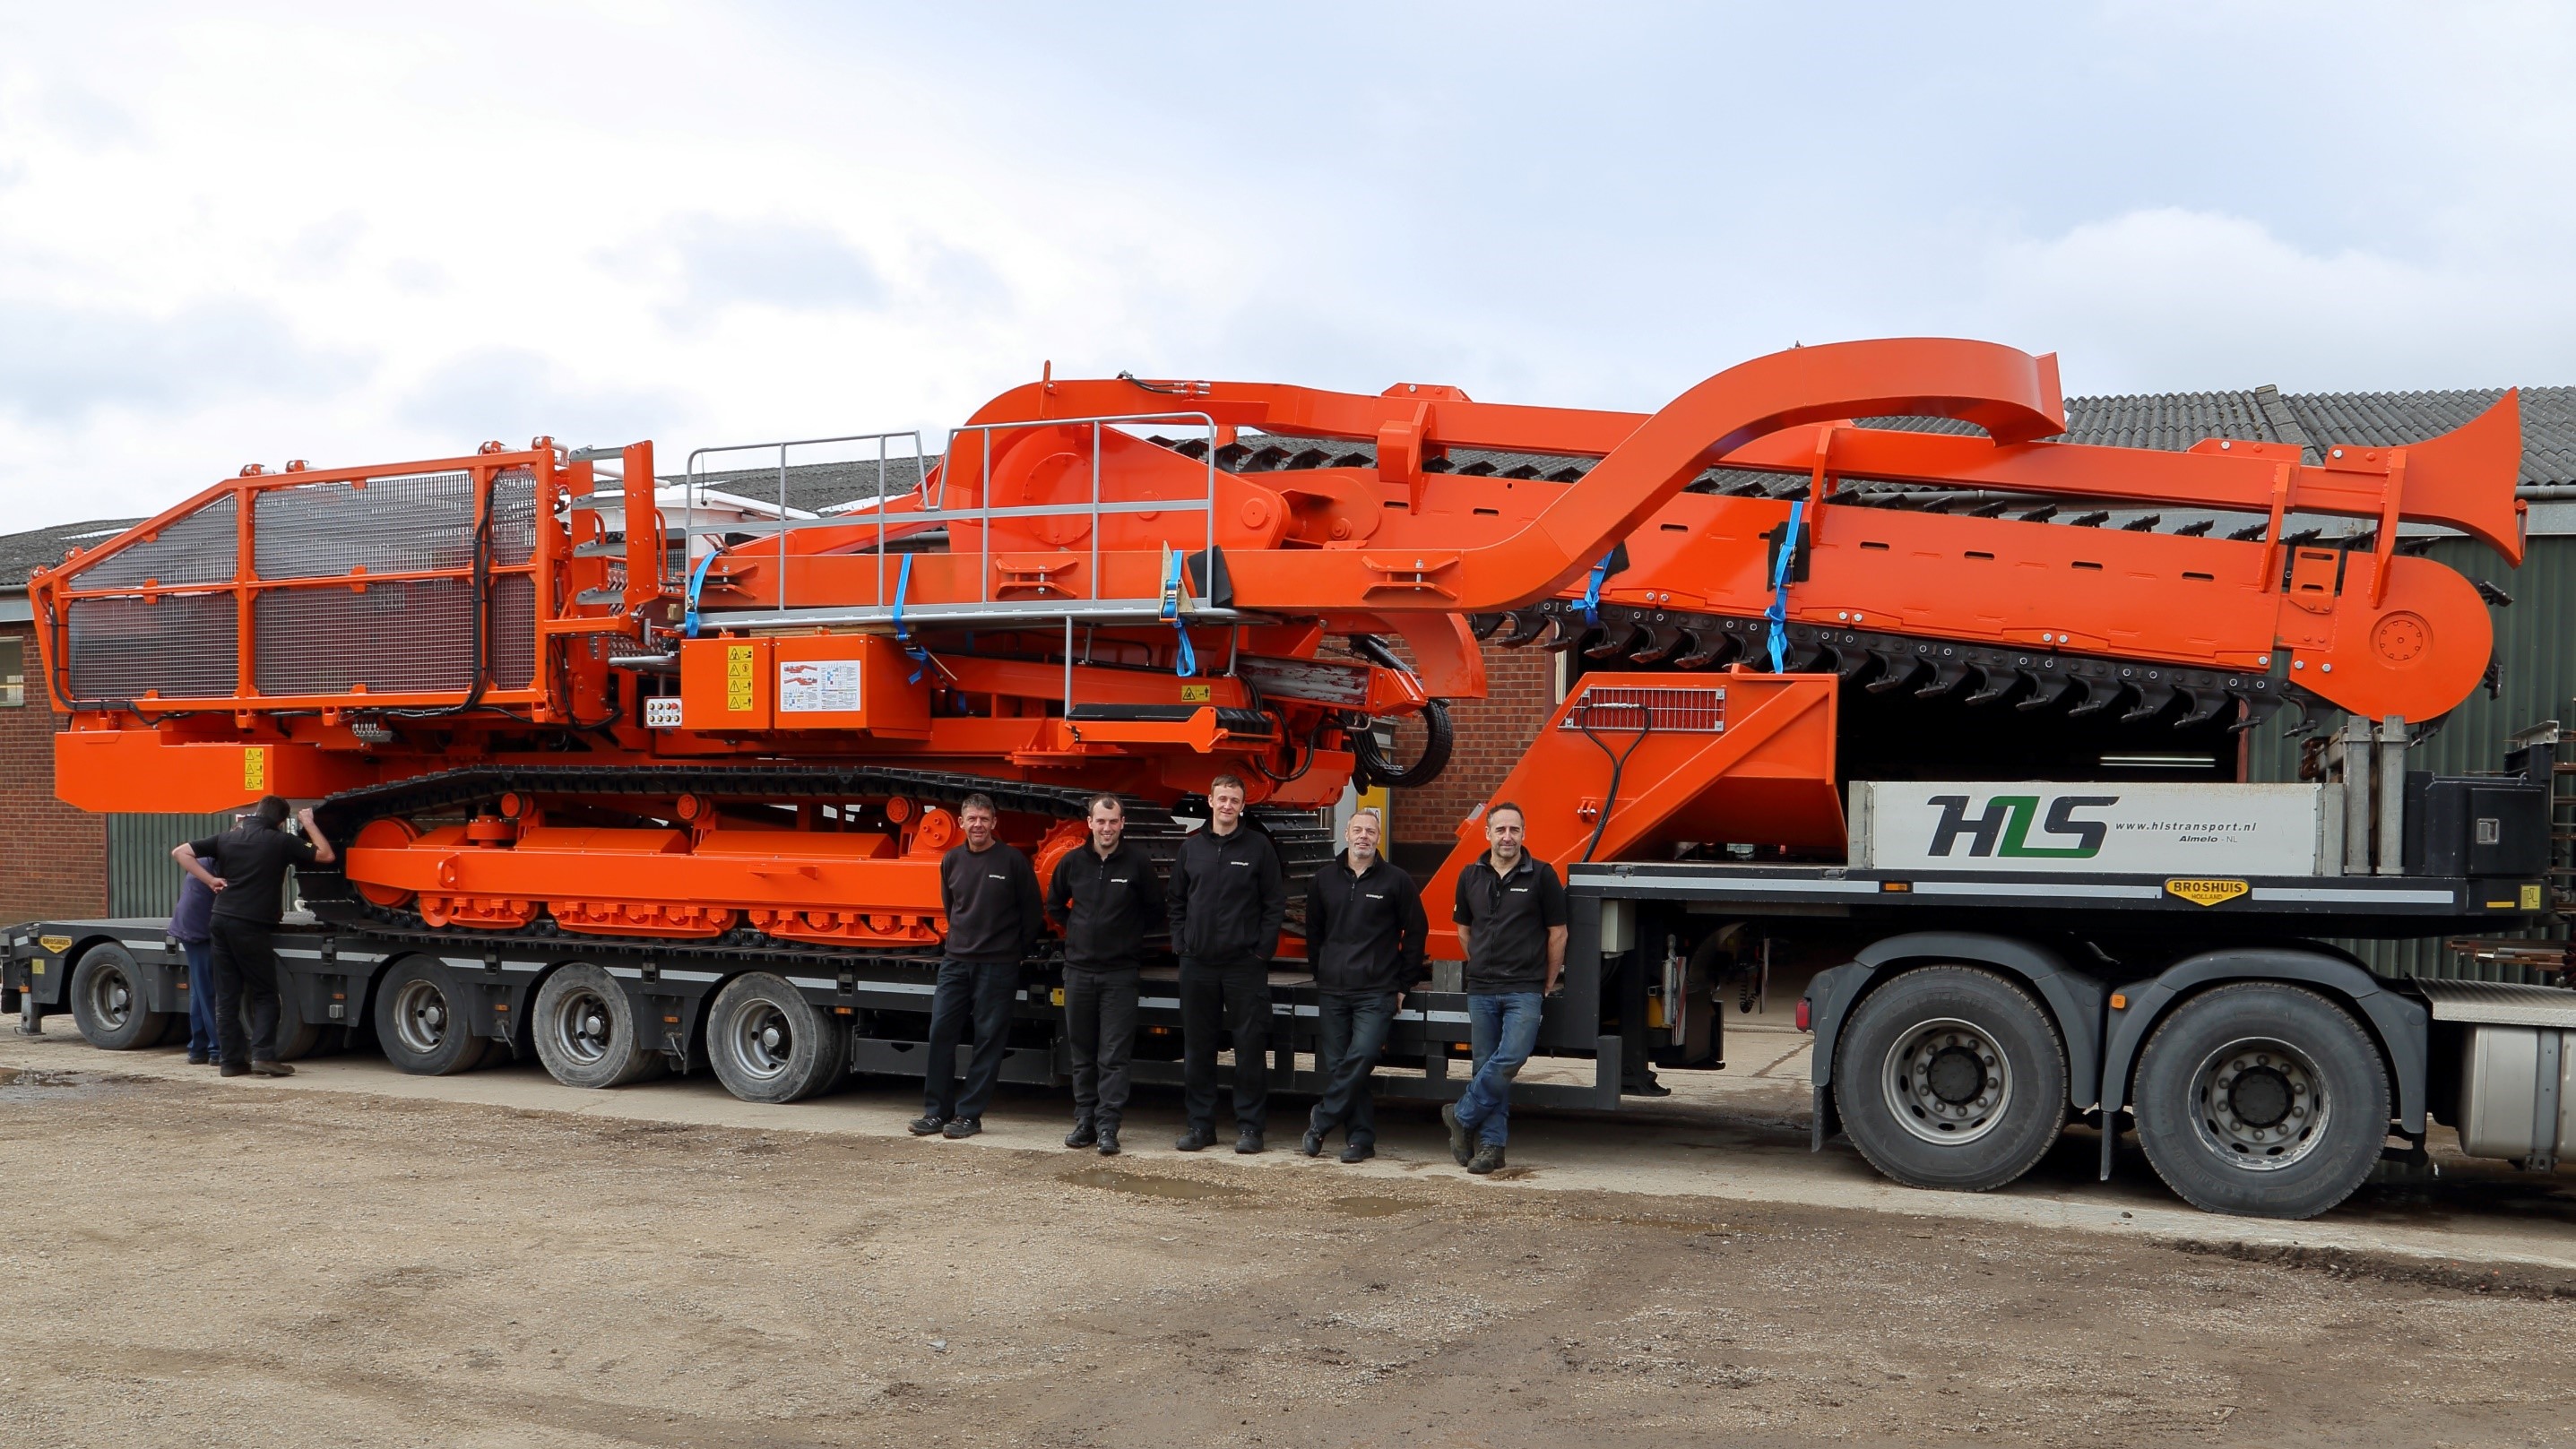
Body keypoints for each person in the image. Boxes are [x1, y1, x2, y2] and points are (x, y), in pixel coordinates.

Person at [1442, 801, 1567, 1175]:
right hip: (1481, 988)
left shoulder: (1542, 875)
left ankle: (1462, 1116)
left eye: (1514, 830)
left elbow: (1557, 934)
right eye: (1500, 830)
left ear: (1524, 834)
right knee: (1484, 1067)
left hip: (1524, 988)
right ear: (1488, 834)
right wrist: (1480, 962)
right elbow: (1463, 931)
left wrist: (1547, 980)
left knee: (1511, 1057)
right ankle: (1491, 1149)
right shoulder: (1469, 876)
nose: (1507, 836)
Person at [912, 793, 1044, 1142]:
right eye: (972, 819)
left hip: (997, 965)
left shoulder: (1013, 861)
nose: (978, 825)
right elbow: (950, 906)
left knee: (988, 1041)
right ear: (961, 823)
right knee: (941, 1033)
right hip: (956, 962)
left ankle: (969, 1115)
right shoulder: (952, 860)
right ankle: (935, 1112)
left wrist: (1014, 952)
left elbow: (1032, 914)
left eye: (984, 819)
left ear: (994, 823)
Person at [1166, 773, 1286, 1153]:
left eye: (1235, 800)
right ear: (1210, 800)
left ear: (1242, 805)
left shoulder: (1258, 848)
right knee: (1198, 1048)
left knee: (1249, 1048)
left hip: (1243, 965)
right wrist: (1182, 944)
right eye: (1222, 798)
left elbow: (1274, 904)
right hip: (1197, 964)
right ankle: (1200, 1127)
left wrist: (1261, 952)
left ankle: (1250, 1128)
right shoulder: (1191, 848)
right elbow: (1176, 901)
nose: (1227, 805)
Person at [175, 796, 335, 1078]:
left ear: (256, 813)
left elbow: (180, 852)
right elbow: (325, 854)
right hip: (251, 925)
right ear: (281, 820)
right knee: (264, 994)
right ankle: (263, 1056)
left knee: (227, 996)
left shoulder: (226, 838)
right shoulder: (282, 841)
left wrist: (210, 880)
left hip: (220, 921)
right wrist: (308, 823)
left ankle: (231, 1062)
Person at [1300, 809, 1426, 1164]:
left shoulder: (1396, 881)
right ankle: (1360, 1140)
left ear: (1378, 837)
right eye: (1358, 830)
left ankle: (1321, 1121)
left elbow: (1416, 931)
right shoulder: (1324, 879)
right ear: (1346, 834)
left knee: (1363, 1056)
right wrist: (1321, 972)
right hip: (1333, 990)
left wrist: (1404, 983)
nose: (1364, 837)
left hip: (1377, 990)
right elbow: (1314, 932)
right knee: (1341, 1067)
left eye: (1371, 831)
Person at [1044, 793, 1165, 1157]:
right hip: (1079, 972)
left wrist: (1125, 935)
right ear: (1090, 823)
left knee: (1113, 1056)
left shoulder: (1137, 864)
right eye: (1101, 821)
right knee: (1082, 1053)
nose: (1107, 828)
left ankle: (1109, 1127)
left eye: (1113, 822)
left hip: (1119, 974)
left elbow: (1154, 911)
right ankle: (1085, 1123)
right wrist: (1078, 930)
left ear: (1122, 824)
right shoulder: (1072, 863)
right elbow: (1054, 905)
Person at [171, 843, 222, 1066]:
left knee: (200, 991)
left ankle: (199, 1048)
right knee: (208, 991)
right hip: (199, 930)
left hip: (190, 927)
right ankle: (217, 1050)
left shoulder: (205, 860)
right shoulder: (219, 864)